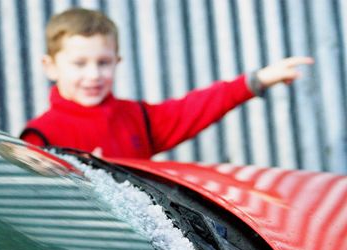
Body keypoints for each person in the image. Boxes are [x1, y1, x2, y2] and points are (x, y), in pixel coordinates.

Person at [20, 7, 314, 159]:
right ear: (51, 66)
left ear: (117, 62)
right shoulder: (40, 136)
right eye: (79, 64)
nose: (94, 75)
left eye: (104, 62)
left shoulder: (138, 117)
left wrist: (256, 80)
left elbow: (196, 107)